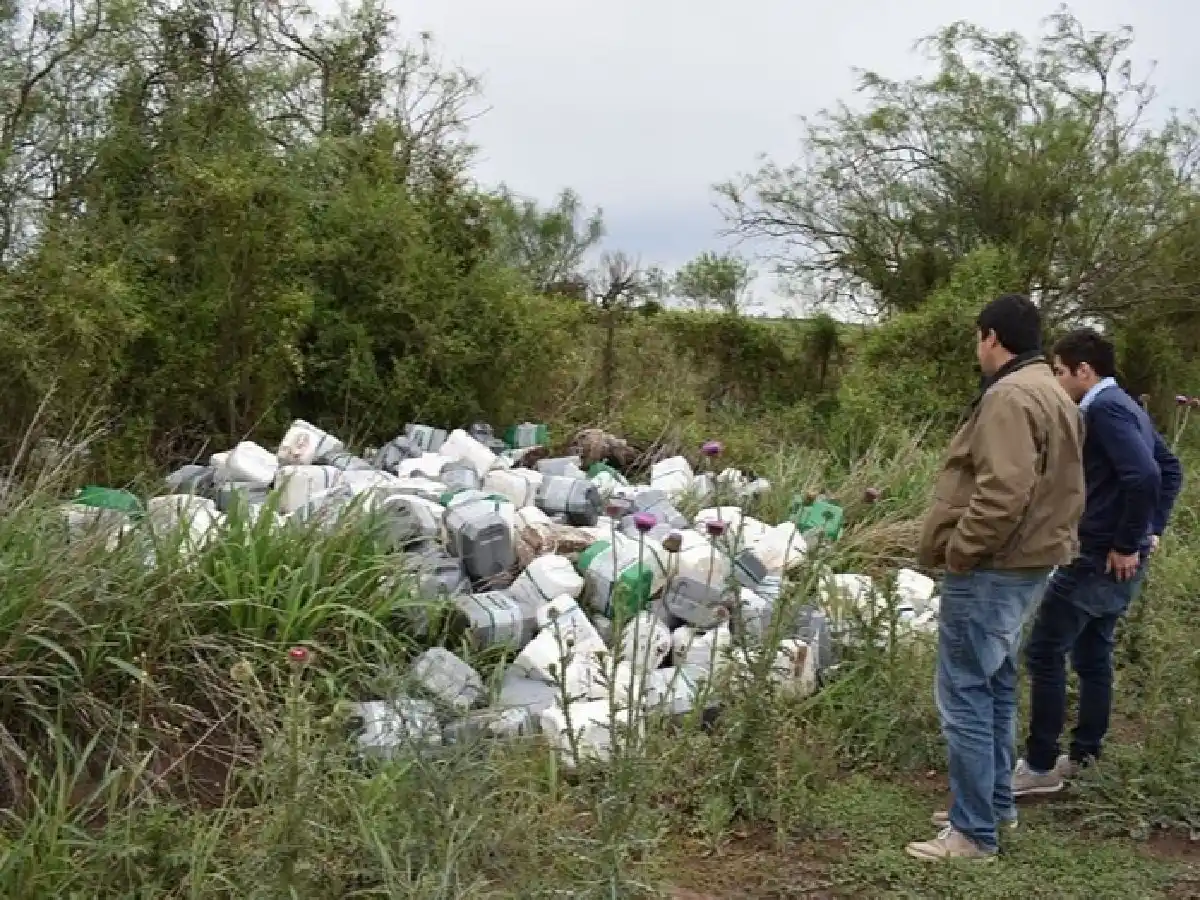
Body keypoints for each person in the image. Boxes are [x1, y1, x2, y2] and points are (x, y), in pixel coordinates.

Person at [907, 294, 1085, 863]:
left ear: (990, 337)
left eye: (976, 338)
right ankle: (991, 804)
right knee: (998, 684)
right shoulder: (1054, 392)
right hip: (1031, 563)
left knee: (964, 693)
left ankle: (973, 832)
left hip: (993, 567)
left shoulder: (1008, 396)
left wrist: (961, 552)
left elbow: (1003, 491)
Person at [1012, 328, 1182, 795]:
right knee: (1092, 654)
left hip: (1097, 556)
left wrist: (1131, 540)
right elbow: (1170, 469)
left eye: (1061, 373)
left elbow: (1148, 474)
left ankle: (1042, 765)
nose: (1058, 382)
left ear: (1085, 371)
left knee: (1045, 651)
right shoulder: (1127, 405)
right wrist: (1151, 531)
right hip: (1114, 554)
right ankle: (1086, 757)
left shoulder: (1105, 410)